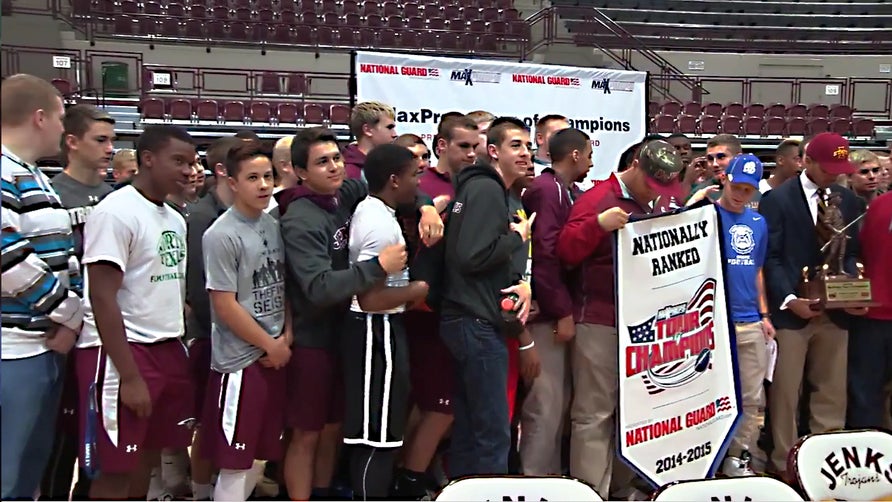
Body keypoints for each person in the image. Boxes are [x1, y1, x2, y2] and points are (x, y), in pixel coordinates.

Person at [277, 127, 442, 500]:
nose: (335, 167)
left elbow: (396, 182)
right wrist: (381, 270)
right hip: (312, 336)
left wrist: (427, 205)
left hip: (344, 330)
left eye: (337, 158)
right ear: (301, 172)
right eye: (322, 162)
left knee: (336, 427)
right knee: (307, 432)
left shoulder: (346, 194)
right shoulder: (300, 219)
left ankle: (324, 492)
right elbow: (319, 288)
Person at [74, 125, 197, 500]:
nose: (188, 170)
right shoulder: (116, 212)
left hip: (166, 346)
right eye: (178, 161)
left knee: (147, 457)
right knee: (114, 470)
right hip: (121, 355)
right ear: (147, 159)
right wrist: (129, 376)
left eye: (192, 162)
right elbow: (102, 297)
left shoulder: (174, 217)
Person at [556, 140, 683, 499]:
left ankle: (623, 487)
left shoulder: (653, 202)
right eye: (653, 185)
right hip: (599, 320)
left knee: (635, 415)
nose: (657, 194)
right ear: (637, 168)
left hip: (643, 322)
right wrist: (597, 225)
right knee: (594, 413)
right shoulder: (598, 199)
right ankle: (591, 492)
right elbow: (564, 252)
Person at [759, 132, 867, 482]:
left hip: (835, 314)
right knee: (787, 395)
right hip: (791, 313)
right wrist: (789, 299)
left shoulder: (849, 200)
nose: (835, 174)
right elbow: (770, 257)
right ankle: (784, 465)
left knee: (831, 392)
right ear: (807, 161)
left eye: (840, 168)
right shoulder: (778, 199)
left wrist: (849, 291)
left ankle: (827, 461)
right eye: (828, 168)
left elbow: (850, 254)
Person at [1, 73, 83, 501]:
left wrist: (71, 319)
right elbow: (8, 258)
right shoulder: (3, 170)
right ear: (38, 117)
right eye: (59, 117)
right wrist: (70, 312)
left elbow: (64, 252)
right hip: (12, 349)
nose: (63, 127)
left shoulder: (34, 175)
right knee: (8, 473)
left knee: (29, 469)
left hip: (44, 343)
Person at [439, 118, 535, 477]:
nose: (526, 153)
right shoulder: (487, 190)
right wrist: (518, 238)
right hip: (474, 322)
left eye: (528, 145)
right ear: (493, 152)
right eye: (516, 145)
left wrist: (521, 282)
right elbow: (471, 255)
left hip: (472, 319)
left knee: (472, 426)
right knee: (492, 432)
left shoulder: (489, 190)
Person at [393, 116, 478, 498]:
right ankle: (408, 480)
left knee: (439, 405)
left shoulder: (475, 184)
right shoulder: (424, 186)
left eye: (475, 146)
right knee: (437, 405)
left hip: (456, 307)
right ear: (441, 146)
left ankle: (415, 473)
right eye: (464, 146)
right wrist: (429, 207)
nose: (471, 153)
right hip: (422, 310)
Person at [201, 140, 290, 502]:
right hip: (240, 361)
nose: (264, 185)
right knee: (235, 461)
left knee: (259, 455)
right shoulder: (221, 234)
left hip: (276, 353)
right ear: (233, 182)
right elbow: (224, 304)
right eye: (252, 177)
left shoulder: (273, 224)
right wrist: (268, 344)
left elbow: (286, 287)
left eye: (268, 176)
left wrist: (286, 338)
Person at [341, 144, 430, 499]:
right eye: (415, 175)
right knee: (375, 438)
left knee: (385, 434)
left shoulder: (377, 210)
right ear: (394, 180)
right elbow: (371, 298)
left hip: (380, 329)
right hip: (372, 330)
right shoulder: (379, 224)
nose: (419, 182)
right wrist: (417, 289)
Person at [41, 103, 116, 501]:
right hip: (63, 329)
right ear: (71, 142)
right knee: (60, 439)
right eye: (100, 140)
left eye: (112, 141)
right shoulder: (51, 193)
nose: (109, 149)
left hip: (105, 332)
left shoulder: (114, 197)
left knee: (98, 438)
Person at [689, 154, 775, 476]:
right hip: (713, 320)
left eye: (748, 190)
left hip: (749, 318)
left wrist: (764, 314)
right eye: (737, 186)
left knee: (751, 398)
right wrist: (696, 198)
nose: (741, 194)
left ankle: (738, 457)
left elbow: (757, 269)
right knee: (709, 395)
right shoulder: (706, 215)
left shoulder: (758, 223)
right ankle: (703, 458)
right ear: (724, 179)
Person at [519, 128, 592, 476]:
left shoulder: (567, 190)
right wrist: (561, 310)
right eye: (589, 154)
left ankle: (550, 478)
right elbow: (544, 256)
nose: (592, 161)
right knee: (544, 406)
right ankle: (534, 482)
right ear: (575, 154)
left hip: (558, 308)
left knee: (559, 405)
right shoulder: (547, 190)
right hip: (546, 315)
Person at [184, 136, 240, 501]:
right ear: (225, 172)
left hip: (239, 334)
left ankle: (219, 483)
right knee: (208, 419)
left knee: (226, 421)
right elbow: (199, 290)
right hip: (211, 334)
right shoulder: (202, 217)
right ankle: (201, 489)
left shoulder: (248, 217)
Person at [847, 191, 892, 429]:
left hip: (872, 314)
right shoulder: (878, 205)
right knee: (865, 396)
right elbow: (856, 253)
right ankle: (869, 458)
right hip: (871, 314)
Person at [343, 101, 398, 180]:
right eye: (389, 127)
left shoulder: (393, 166)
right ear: (368, 130)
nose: (395, 134)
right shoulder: (347, 173)